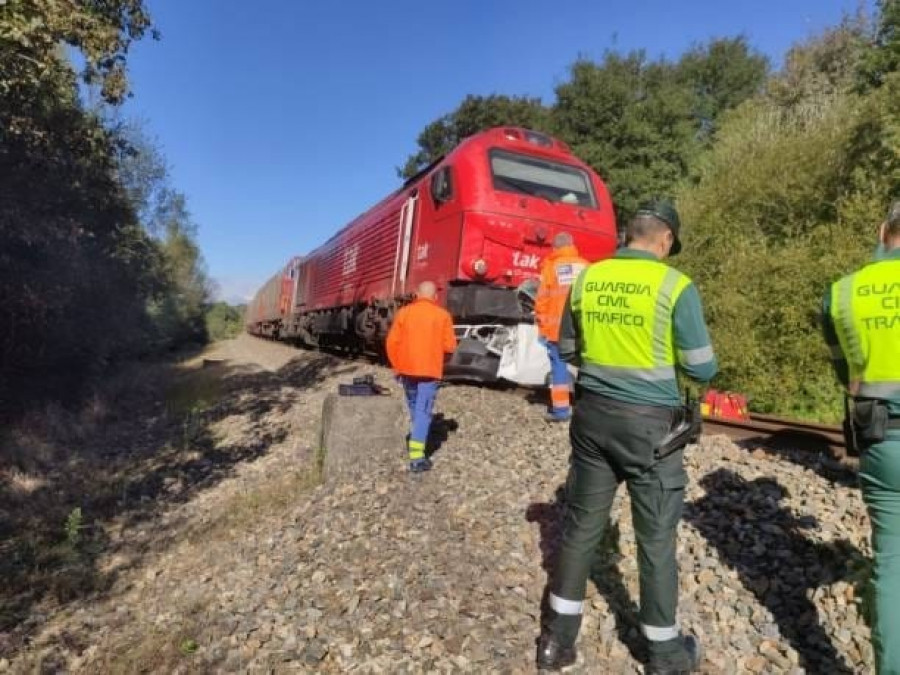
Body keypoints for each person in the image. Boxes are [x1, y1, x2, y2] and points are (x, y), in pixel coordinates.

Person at [537, 200, 718, 673]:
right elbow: (703, 367)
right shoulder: (675, 285)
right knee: (655, 538)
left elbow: (567, 348)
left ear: (628, 234)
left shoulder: (587, 280)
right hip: (652, 428)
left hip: (592, 418)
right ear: (665, 240)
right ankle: (663, 654)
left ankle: (556, 644)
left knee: (579, 530)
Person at [823, 201, 900, 674]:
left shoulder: (842, 292)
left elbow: (842, 371)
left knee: (891, 565)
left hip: (882, 441)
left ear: (882, 230)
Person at [386, 280, 458, 473]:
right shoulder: (443, 315)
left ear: (417, 294)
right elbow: (450, 346)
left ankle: (418, 435)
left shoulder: (404, 313)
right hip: (429, 371)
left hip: (407, 371)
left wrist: (397, 367)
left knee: (415, 407)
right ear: (435, 297)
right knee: (423, 412)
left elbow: (392, 343)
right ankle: (417, 457)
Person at [534, 232, 589, 422]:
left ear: (555, 248)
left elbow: (542, 299)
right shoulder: (585, 266)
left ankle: (561, 411)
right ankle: (586, 408)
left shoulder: (551, 267)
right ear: (572, 245)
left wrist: (541, 326)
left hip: (557, 329)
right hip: (584, 329)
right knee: (588, 367)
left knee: (559, 367)